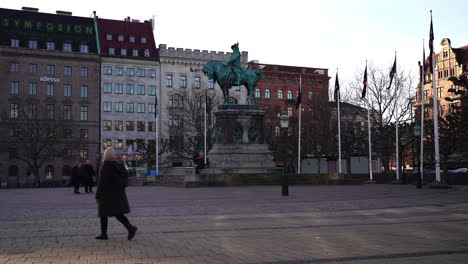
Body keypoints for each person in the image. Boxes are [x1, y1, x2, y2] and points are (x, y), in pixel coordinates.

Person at [95, 147, 137, 240]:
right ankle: (130, 228)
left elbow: (102, 183)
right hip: (118, 195)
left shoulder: (106, 166)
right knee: (117, 213)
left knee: (103, 213)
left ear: (105, 155)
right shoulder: (119, 165)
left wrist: (98, 195)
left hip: (106, 195)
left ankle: (104, 234)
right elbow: (125, 180)